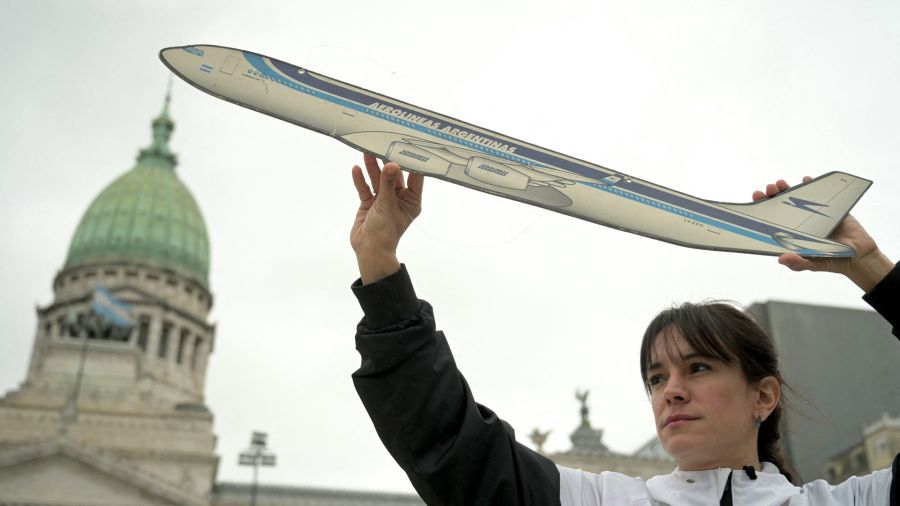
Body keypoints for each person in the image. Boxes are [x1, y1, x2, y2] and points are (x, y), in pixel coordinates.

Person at [348, 153, 899, 505]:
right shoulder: (597, 500)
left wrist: (869, 266)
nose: (671, 391)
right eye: (656, 378)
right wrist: (380, 265)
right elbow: (450, 447)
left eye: (699, 367)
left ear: (765, 396)